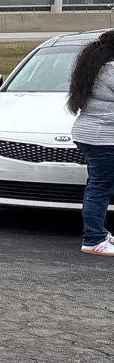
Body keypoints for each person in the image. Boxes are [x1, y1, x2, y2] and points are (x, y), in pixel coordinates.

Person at [69, 28, 114, 255]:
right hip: (104, 138)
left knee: (99, 185)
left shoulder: (94, 68)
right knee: (100, 187)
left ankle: (99, 232)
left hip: (89, 135)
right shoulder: (112, 71)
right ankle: (93, 238)